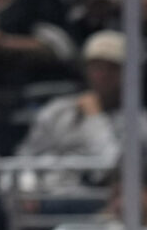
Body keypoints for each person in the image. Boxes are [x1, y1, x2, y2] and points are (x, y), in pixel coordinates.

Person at [19, 30, 131, 163]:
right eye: (97, 67)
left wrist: (95, 118)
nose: (103, 75)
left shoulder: (137, 121)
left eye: (112, 68)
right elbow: (26, 158)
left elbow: (115, 165)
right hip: (54, 183)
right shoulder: (58, 111)